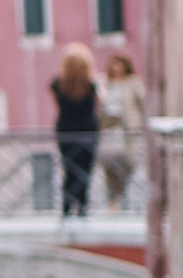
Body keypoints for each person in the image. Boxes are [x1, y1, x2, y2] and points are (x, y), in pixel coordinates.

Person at [52, 41, 102, 217]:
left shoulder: (57, 85)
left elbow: (58, 105)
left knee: (69, 168)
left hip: (66, 132)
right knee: (85, 170)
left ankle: (67, 206)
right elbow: (97, 106)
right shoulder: (91, 86)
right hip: (88, 131)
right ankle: (82, 207)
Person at [98, 43, 146, 212]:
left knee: (129, 163)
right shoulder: (105, 83)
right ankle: (113, 200)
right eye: (114, 63)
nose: (117, 67)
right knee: (109, 165)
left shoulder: (133, 83)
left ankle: (122, 196)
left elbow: (143, 102)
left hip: (128, 130)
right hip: (109, 131)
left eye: (120, 63)